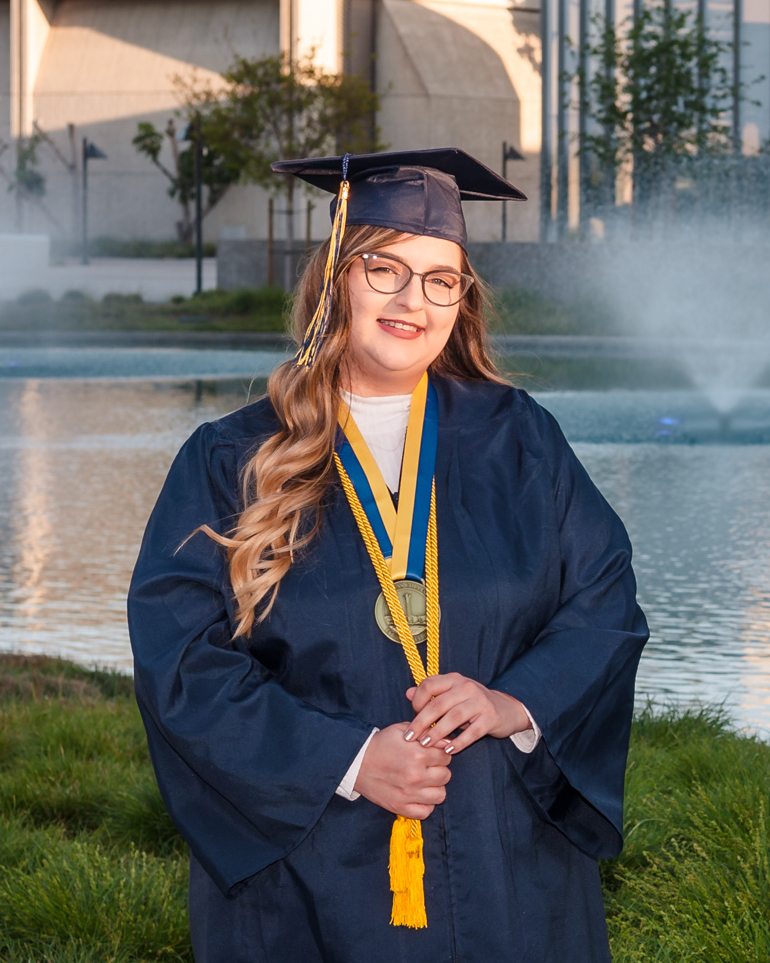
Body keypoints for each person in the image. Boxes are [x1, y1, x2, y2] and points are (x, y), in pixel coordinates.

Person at [128, 148, 648, 963]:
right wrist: (350, 757)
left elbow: (604, 600)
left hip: (506, 856)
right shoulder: (231, 457)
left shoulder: (520, 439)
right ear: (336, 273)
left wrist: (515, 701)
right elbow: (181, 659)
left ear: (462, 297)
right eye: (386, 269)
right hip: (313, 872)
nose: (414, 299)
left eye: (442, 278)